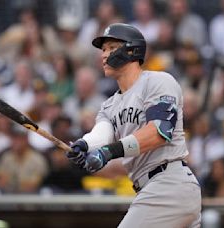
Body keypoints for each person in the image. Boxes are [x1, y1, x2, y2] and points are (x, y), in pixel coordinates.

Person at [66, 23, 201, 227]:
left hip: (169, 184)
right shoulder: (109, 105)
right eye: (103, 50)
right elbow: (102, 134)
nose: (104, 55)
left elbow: (159, 132)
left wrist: (107, 152)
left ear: (132, 50)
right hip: (151, 189)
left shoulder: (158, 81)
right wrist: (84, 145)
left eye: (112, 48)